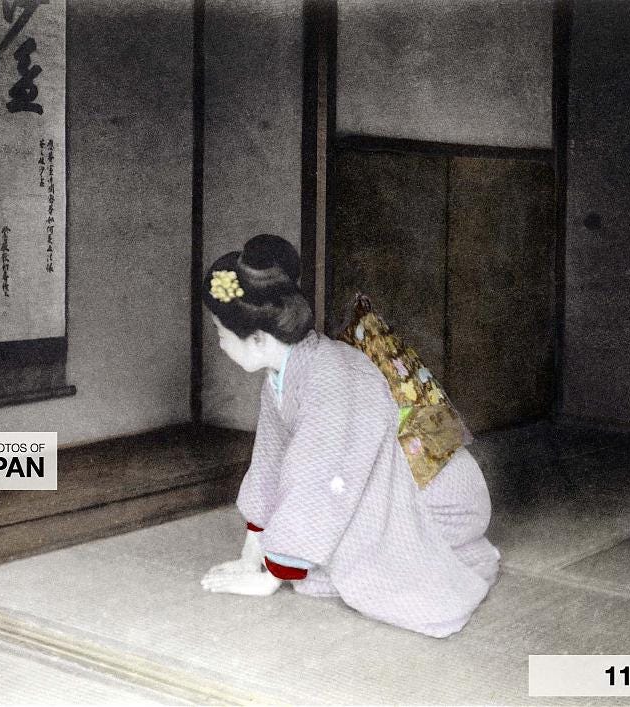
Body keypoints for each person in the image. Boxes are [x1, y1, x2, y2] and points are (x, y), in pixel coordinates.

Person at [199, 234, 500, 638]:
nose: (218, 343)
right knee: (314, 561)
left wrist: (271, 578)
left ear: (257, 338)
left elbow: (319, 482)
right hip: (396, 483)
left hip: (441, 498)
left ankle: (453, 551)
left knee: (341, 563)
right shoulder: (280, 377)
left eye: (220, 332)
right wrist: (251, 558)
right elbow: (269, 464)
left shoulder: (330, 374)